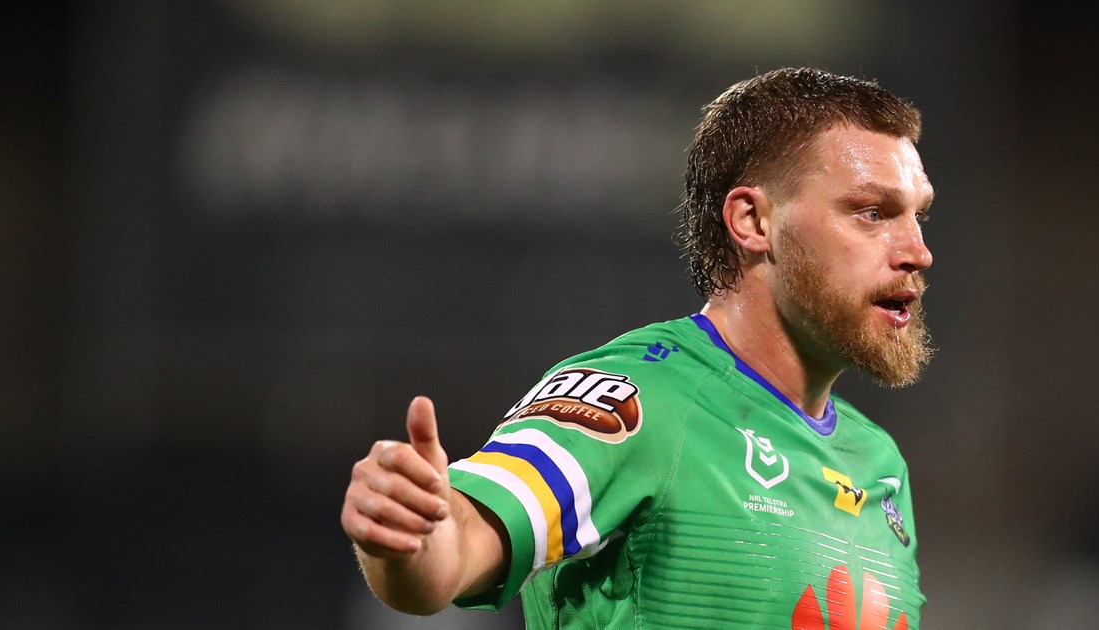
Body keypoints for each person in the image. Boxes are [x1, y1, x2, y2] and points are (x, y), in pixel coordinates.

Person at [340, 67, 937, 629]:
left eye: (919, 217)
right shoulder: (637, 399)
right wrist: (413, 537)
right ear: (754, 222)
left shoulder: (878, 463)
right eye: (872, 213)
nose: (917, 251)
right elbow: (461, 544)